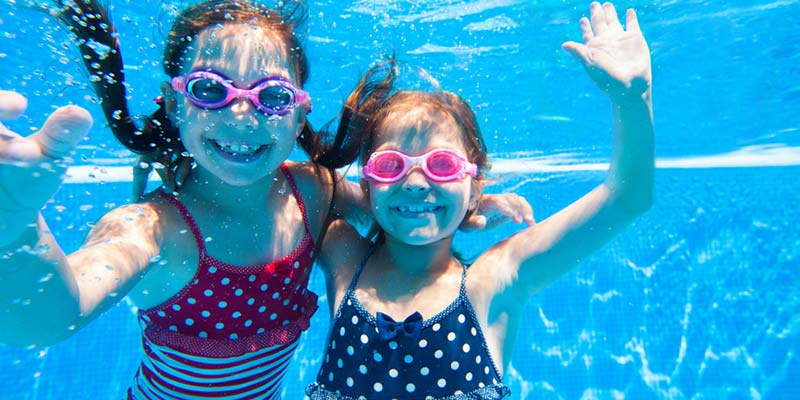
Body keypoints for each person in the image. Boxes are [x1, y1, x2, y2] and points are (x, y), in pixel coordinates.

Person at [0, 1, 531, 398]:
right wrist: (14, 225)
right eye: (211, 90)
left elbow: (392, 204)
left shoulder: (312, 192)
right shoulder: (150, 230)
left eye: (273, 96)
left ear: (300, 115)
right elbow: (46, 320)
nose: (241, 116)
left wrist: (469, 206)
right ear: (174, 103)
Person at [305, 2, 654, 398]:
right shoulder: (343, 256)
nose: (416, 183)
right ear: (368, 183)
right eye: (391, 166)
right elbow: (297, 184)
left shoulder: (495, 279)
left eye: (441, 165)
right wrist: (463, 205)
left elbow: (628, 198)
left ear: (474, 183)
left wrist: (633, 100)